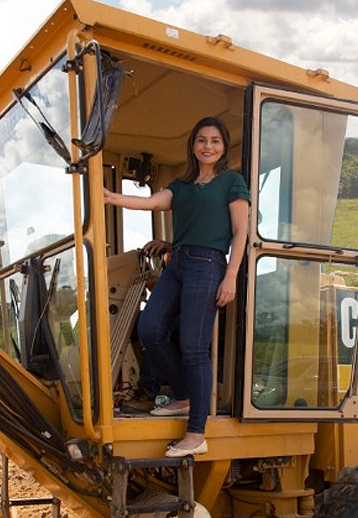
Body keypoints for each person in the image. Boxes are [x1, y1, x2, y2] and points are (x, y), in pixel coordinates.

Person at [104, 116, 249, 457]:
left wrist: (230, 276)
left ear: (223, 147)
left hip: (209, 264)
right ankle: (182, 396)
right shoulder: (181, 185)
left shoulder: (231, 182)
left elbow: (240, 232)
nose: (208, 146)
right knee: (151, 328)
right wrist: (112, 198)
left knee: (193, 347)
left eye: (215, 140)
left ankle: (197, 434)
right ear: (193, 145)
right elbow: (152, 202)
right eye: (202, 140)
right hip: (178, 262)